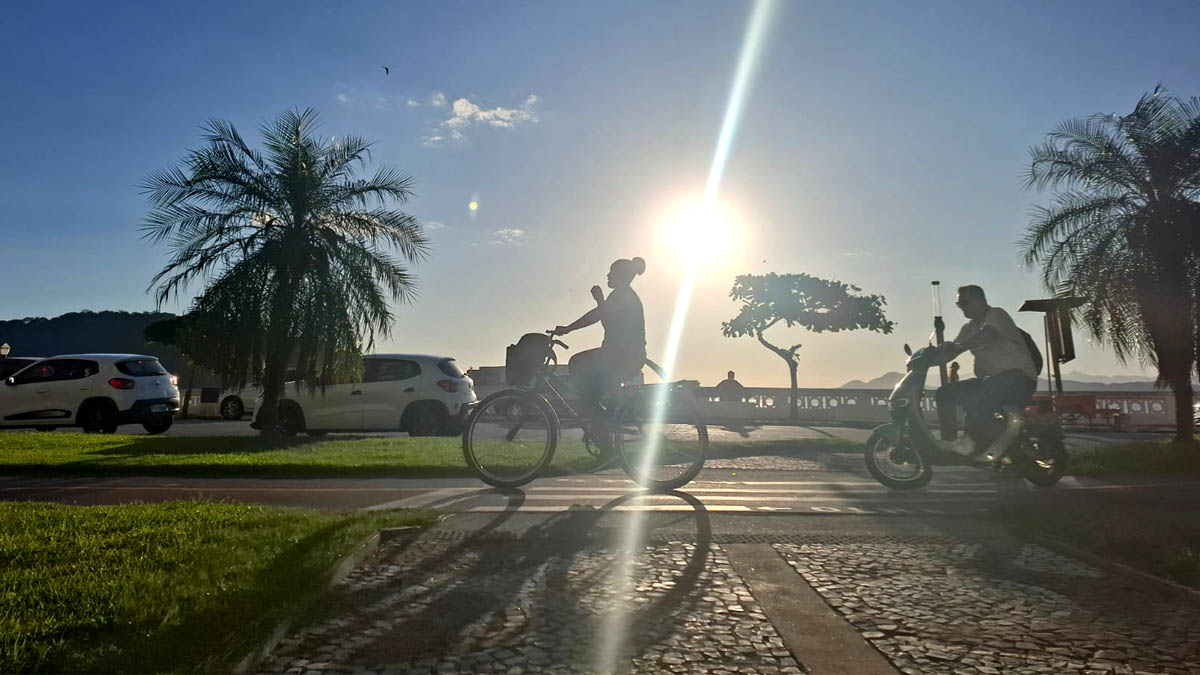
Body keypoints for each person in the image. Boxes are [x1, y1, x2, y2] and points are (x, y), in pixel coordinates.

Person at [935, 285, 1038, 456]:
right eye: (958, 304)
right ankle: (951, 442)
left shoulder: (997, 314)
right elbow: (951, 352)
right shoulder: (968, 329)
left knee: (982, 393)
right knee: (944, 393)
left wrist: (960, 346)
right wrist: (926, 360)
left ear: (980, 300)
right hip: (990, 380)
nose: (961, 307)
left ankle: (972, 441)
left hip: (1018, 379)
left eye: (965, 303)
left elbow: (988, 334)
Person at [551, 257, 647, 432]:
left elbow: (603, 317)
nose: (608, 275)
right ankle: (607, 421)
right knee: (590, 392)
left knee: (578, 365)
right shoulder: (622, 295)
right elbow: (603, 316)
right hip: (619, 355)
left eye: (612, 272)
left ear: (621, 275)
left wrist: (598, 301)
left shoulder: (623, 295)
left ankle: (604, 431)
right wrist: (569, 328)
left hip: (622, 357)